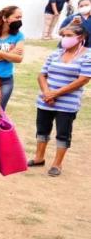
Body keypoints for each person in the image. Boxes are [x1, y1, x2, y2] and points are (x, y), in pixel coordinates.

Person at [29, 24, 91, 176]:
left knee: (63, 133)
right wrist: (47, 93)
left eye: (69, 35)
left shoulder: (87, 55)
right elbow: (42, 75)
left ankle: (57, 164)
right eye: (63, 35)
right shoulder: (55, 53)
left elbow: (83, 80)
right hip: (45, 100)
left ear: (81, 37)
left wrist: (55, 94)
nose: (65, 39)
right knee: (42, 130)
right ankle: (39, 158)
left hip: (67, 104)